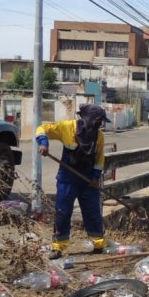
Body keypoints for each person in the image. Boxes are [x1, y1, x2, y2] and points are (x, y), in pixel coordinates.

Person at [36, 103, 111, 259]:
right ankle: (58, 247)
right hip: (67, 179)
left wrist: (96, 177)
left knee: (92, 213)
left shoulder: (99, 137)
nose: (100, 124)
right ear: (90, 119)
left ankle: (98, 244)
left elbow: (99, 159)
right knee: (62, 213)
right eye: (98, 121)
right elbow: (41, 129)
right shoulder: (66, 127)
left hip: (88, 181)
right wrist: (43, 143)